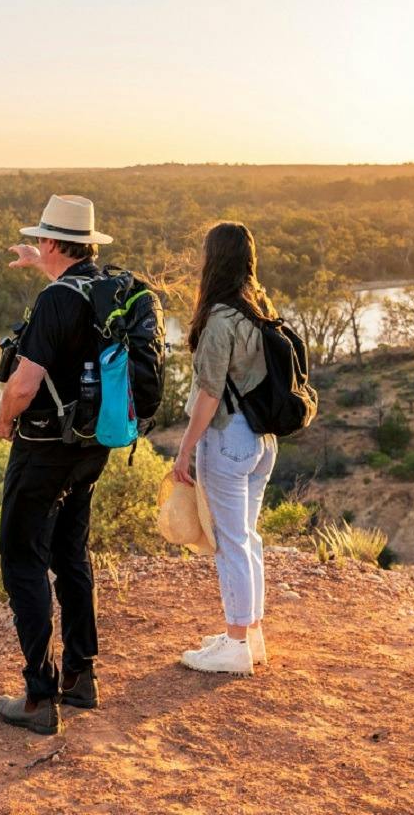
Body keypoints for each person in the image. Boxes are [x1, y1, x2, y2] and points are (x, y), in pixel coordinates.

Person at [0, 194, 114, 734]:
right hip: (91, 445)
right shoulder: (106, 289)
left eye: (42, 241)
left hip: (43, 447)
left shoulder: (53, 302)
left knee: (21, 555)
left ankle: (40, 698)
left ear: (49, 241)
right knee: (69, 550)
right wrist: (41, 259)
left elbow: (23, 384)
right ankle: (81, 677)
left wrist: (1, 421)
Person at [171, 221, 277, 675]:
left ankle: (235, 647)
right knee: (246, 538)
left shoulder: (219, 319)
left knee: (230, 543)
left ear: (214, 261)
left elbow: (209, 394)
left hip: (229, 439)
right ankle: (248, 635)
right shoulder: (259, 307)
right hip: (262, 439)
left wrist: (184, 450)